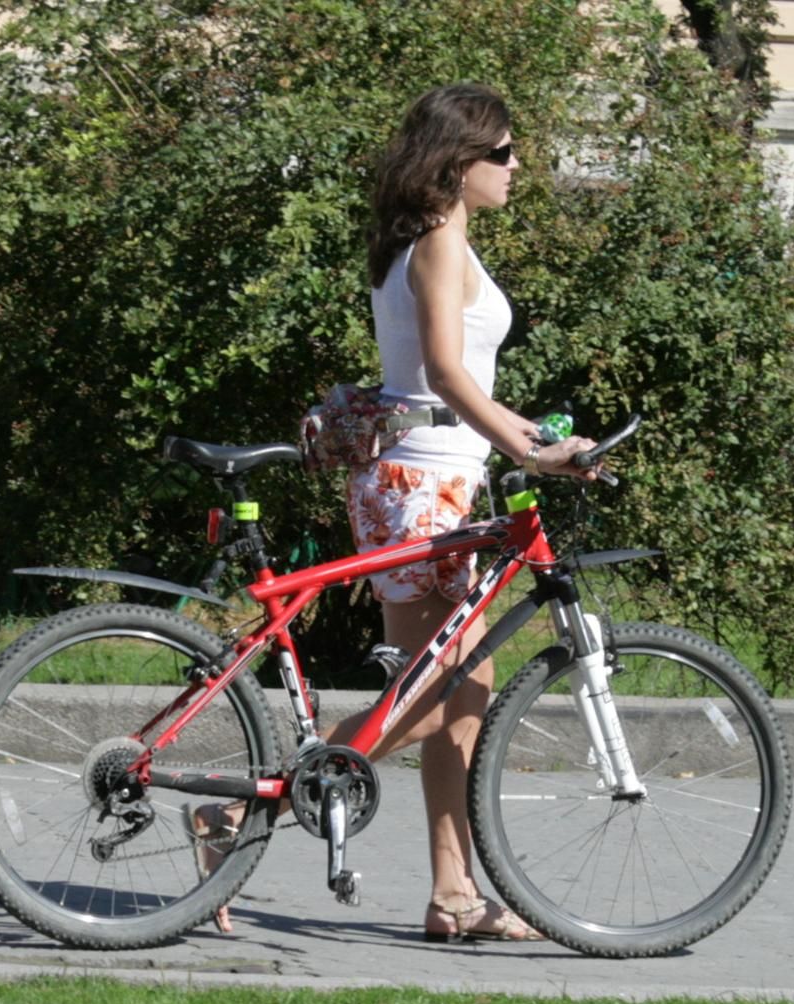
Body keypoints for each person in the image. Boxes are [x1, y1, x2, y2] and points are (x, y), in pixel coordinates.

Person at [190, 83, 598, 940]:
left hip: (420, 477)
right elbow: (446, 374)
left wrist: (537, 437)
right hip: (424, 488)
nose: (516, 165)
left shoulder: (420, 238)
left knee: (458, 688)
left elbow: (439, 387)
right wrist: (527, 451)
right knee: (438, 691)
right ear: (459, 160)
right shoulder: (439, 239)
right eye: (503, 151)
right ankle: (239, 810)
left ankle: (454, 892)